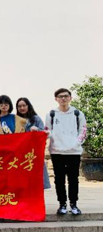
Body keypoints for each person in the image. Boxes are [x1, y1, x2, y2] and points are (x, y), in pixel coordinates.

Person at [45, 88, 87, 216]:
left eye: (65, 96)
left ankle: (73, 204)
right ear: (56, 99)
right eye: (60, 96)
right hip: (57, 151)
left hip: (74, 152)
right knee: (59, 179)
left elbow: (83, 131)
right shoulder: (51, 114)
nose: (63, 98)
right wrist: (46, 135)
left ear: (70, 98)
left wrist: (76, 143)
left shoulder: (78, 114)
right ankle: (62, 204)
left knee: (73, 179)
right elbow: (48, 130)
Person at [16, 97, 51, 190]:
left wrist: (37, 130)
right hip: (20, 153)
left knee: (36, 180)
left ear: (28, 106)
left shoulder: (36, 119)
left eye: (24, 105)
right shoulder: (16, 120)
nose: (22, 108)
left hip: (34, 153)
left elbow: (44, 133)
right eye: (19, 106)